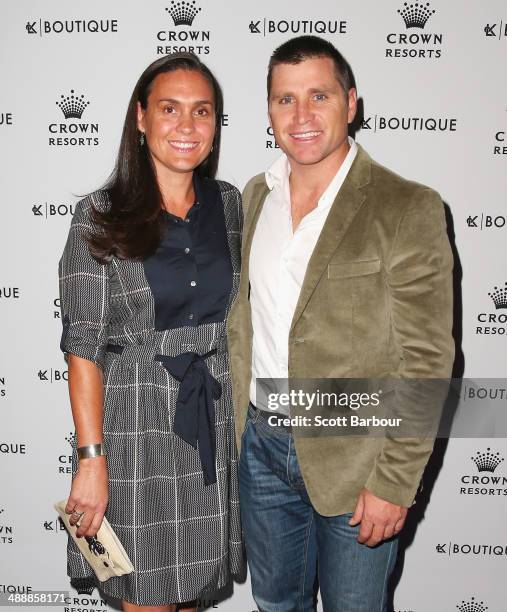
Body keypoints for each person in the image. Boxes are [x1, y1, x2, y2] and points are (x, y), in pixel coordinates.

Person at [226, 35, 454, 611]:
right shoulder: (255, 197)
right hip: (262, 446)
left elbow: (427, 361)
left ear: (351, 103)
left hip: (361, 458)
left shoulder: (407, 206)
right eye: (284, 100)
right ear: (269, 110)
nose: (301, 116)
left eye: (319, 96)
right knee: (276, 606)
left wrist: (396, 481)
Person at [58, 52, 243, 612]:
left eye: (202, 111)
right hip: (133, 427)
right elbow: (84, 346)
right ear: (140, 118)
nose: (187, 126)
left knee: (191, 592)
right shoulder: (99, 215)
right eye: (170, 109)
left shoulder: (231, 204)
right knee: (144, 597)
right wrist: (92, 460)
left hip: (210, 418)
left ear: (216, 124)